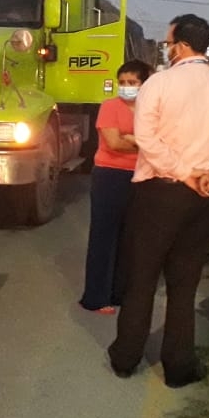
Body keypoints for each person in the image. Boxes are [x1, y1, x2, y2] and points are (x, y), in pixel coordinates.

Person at [107, 14, 209, 387]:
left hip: (160, 193)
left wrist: (185, 172)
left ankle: (126, 357)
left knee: (140, 279)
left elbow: (147, 139)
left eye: (169, 42)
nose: (167, 49)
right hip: (205, 198)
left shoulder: (160, 84)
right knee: (184, 286)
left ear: (181, 45)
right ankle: (178, 367)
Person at [79, 59, 153, 314]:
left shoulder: (151, 110)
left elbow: (165, 139)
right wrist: (145, 144)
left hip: (141, 176)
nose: (126, 87)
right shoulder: (110, 107)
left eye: (132, 83)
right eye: (122, 83)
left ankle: (120, 292)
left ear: (145, 84)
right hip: (110, 175)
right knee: (103, 237)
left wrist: (135, 140)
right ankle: (97, 296)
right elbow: (114, 143)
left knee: (130, 238)